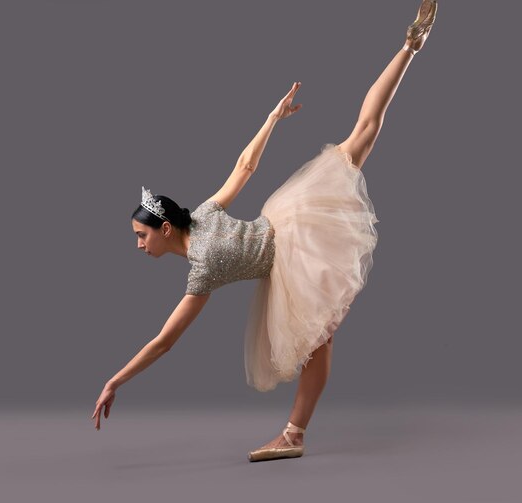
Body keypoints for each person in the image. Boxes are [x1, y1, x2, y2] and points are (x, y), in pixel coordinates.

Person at [92, 0, 438, 462]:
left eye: (141, 235)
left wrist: (116, 380)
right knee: (363, 134)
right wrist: (271, 119)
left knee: (362, 137)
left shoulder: (201, 270)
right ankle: (410, 46)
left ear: (166, 227)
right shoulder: (205, 222)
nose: (139, 245)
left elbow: (164, 341)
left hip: (291, 241)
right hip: (289, 225)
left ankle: (294, 435)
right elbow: (244, 167)